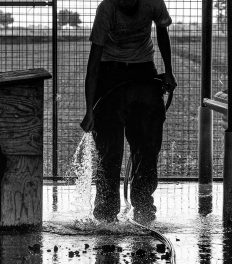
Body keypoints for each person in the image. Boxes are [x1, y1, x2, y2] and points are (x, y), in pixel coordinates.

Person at [80, 0, 177, 224]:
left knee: (147, 148)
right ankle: (105, 214)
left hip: (143, 72)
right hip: (110, 73)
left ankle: (143, 208)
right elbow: (94, 61)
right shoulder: (106, 9)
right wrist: (89, 111)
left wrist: (169, 72)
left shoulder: (153, 2)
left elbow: (162, 34)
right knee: (109, 153)